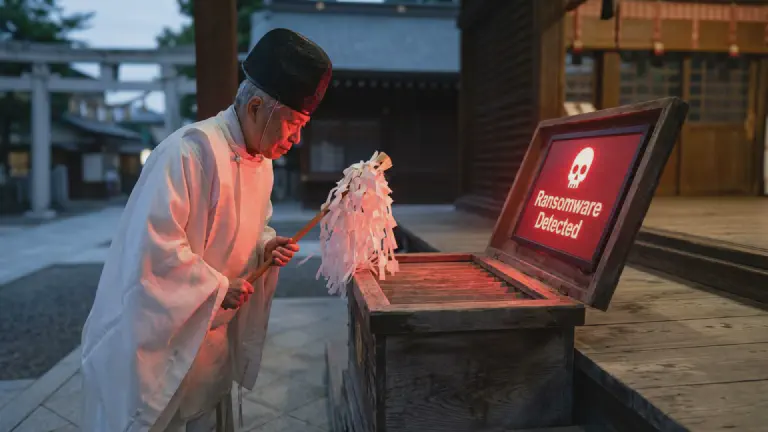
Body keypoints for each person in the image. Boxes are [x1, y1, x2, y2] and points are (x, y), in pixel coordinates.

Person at [79, 28, 333, 432]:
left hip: (209, 335)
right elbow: (152, 249)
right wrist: (217, 287)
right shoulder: (188, 151)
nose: (297, 138)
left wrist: (266, 245)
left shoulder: (262, 161)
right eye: (293, 123)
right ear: (254, 108)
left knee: (206, 414)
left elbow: (253, 223)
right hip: (162, 341)